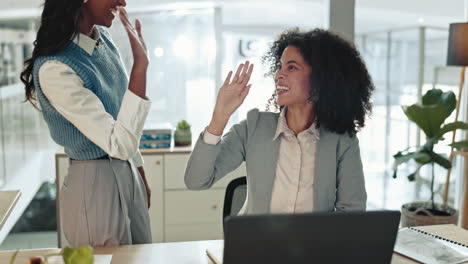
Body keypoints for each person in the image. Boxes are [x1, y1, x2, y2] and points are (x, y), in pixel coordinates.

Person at [184, 28, 374, 214]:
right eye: (279, 67)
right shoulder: (253, 127)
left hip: (313, 245)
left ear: (321, 77)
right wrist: (220, 116)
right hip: (256, 244)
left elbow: (352, 212)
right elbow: (196, 180)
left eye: (291, 67)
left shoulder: (342, 140)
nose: (278, 75)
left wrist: (317, 243)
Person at [20, 0, 152, 247]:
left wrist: (138, 169)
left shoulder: (102, 39)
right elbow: (117, 143)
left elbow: (121, 119)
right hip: (94, 183)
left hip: (127, 170)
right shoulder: (55, 67)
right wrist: (140, 68)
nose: (122, 2)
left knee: (142, 257)